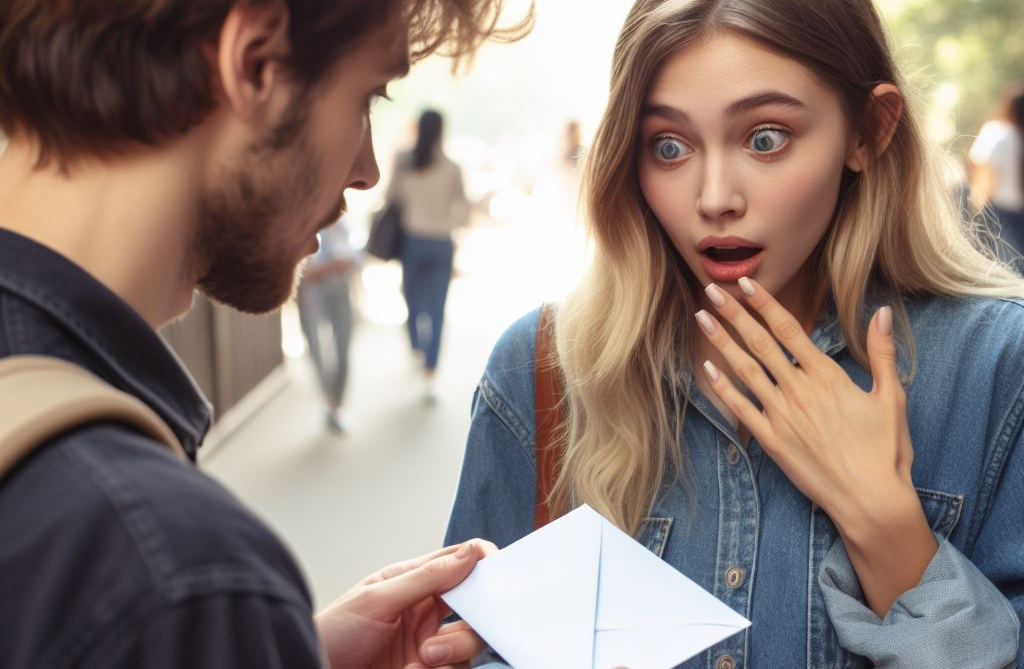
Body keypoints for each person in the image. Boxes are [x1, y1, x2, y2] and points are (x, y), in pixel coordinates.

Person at [445, 0, 1024, 667]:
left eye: (766, 137)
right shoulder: (543, 368)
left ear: (868, 130)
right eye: (669, 146)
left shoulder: (996, 369)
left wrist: (888, 529)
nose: (715, 196)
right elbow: (461, 649)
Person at [0, 1, 531, 667]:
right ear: (252, 61)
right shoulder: (175, 577)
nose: (365, 168)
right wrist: (225, 621)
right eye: (367, 94)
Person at [387, 110, 469, 402]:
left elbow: (390, 198)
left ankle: (417, 350)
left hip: (413, 242)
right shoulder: (452, 168)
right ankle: (430, 374)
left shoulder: (404, 162)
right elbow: (464, 210)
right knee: (437, 309)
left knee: (412, 302)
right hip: (441, 243)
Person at [298, 217, 361, 434]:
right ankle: (330, 404)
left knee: (343, 346)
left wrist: (341, 264)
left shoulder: (338, 218)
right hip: (311, 288)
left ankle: (337, 403)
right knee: (317, 348)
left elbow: (356, 255)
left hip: (338, 283)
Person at [970, 85, 1024, 266]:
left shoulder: (996, 132)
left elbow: (985, 174)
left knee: (1003, 268)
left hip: (999, 212)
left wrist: (975, 208)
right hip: (1019, 212)